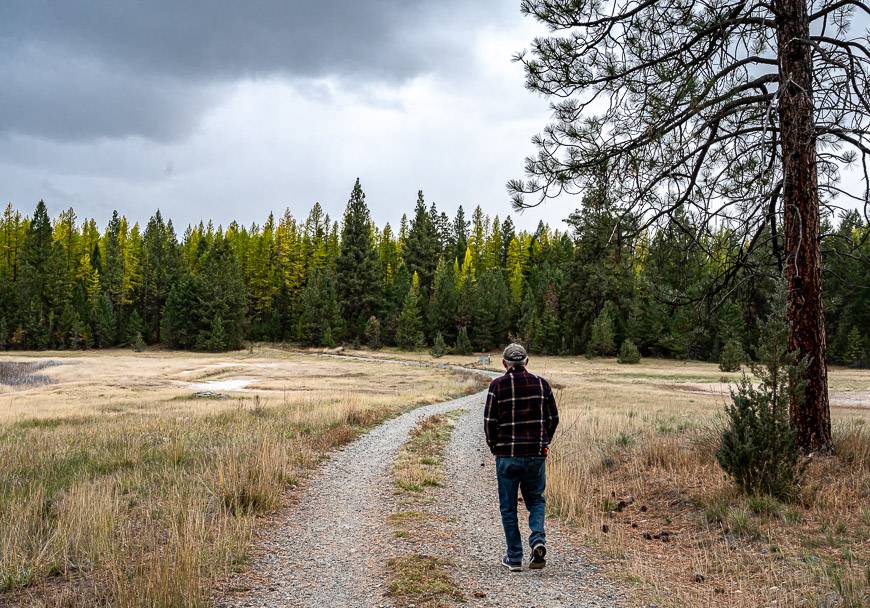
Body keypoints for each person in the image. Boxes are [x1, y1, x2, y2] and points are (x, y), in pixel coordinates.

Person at [484, 343, 559, 572]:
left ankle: (514, 558)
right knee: (535, 500)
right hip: (535, 455)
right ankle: (537, 540)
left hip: (507, 456)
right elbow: (553, 418)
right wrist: (543, 443)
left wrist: (496, 448)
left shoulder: (497, 386)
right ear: (527, 361)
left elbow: (489, 424)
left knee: (508, 507)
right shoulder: (541, 384)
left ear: (504, 363)